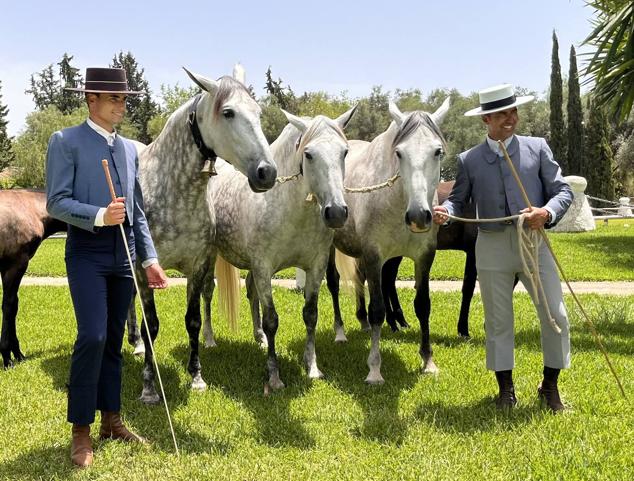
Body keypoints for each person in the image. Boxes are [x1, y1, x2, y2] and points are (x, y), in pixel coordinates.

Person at [46, 67, 169, 467]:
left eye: (124, 98)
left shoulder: (131, 149)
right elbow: (56, 203)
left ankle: (111, 420)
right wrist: (100, 214)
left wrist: (148, 259)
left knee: (115, 340)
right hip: (87, 253)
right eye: (113, 98)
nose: (121, 105)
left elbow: (137, 211)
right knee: (93, 336)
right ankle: (80, 429)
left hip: (126, 255)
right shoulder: (65, 142)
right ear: (91, 100)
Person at [433, 84, 573, 412]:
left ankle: (549, 385)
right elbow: (457, 200)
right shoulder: (469, 160)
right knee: (498, 321)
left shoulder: (538, 148)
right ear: (486, 119)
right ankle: (505, 390)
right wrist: (446, 213)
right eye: (502, 114)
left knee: (556, 314)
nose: (510, 118)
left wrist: (547, 212)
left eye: (513, 111)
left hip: (533, 243)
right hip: (492, 246)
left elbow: (562, 190)